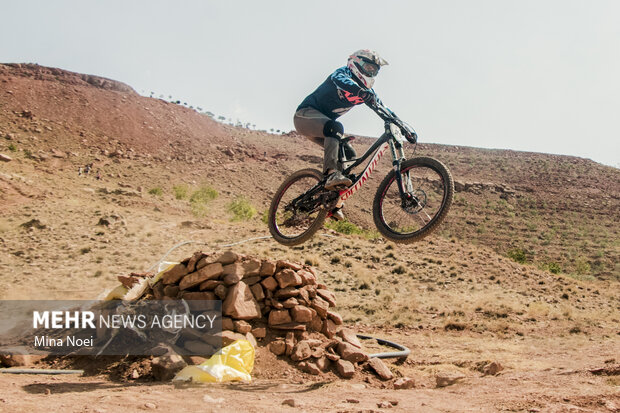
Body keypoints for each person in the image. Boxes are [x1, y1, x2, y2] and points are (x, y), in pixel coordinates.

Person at [293, 49, 388, 219]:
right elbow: (341, 81)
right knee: (336, 127)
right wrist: (360, 92)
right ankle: (330, 174)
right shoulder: (342, 73)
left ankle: (333, 200)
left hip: (323, 128)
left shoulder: (366, 91)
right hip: (305, 117)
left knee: (348, 152)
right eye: (368, 67)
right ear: (356, 63)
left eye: (375, 70)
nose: (371, 72)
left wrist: (400, 125)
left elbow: (382, 107)